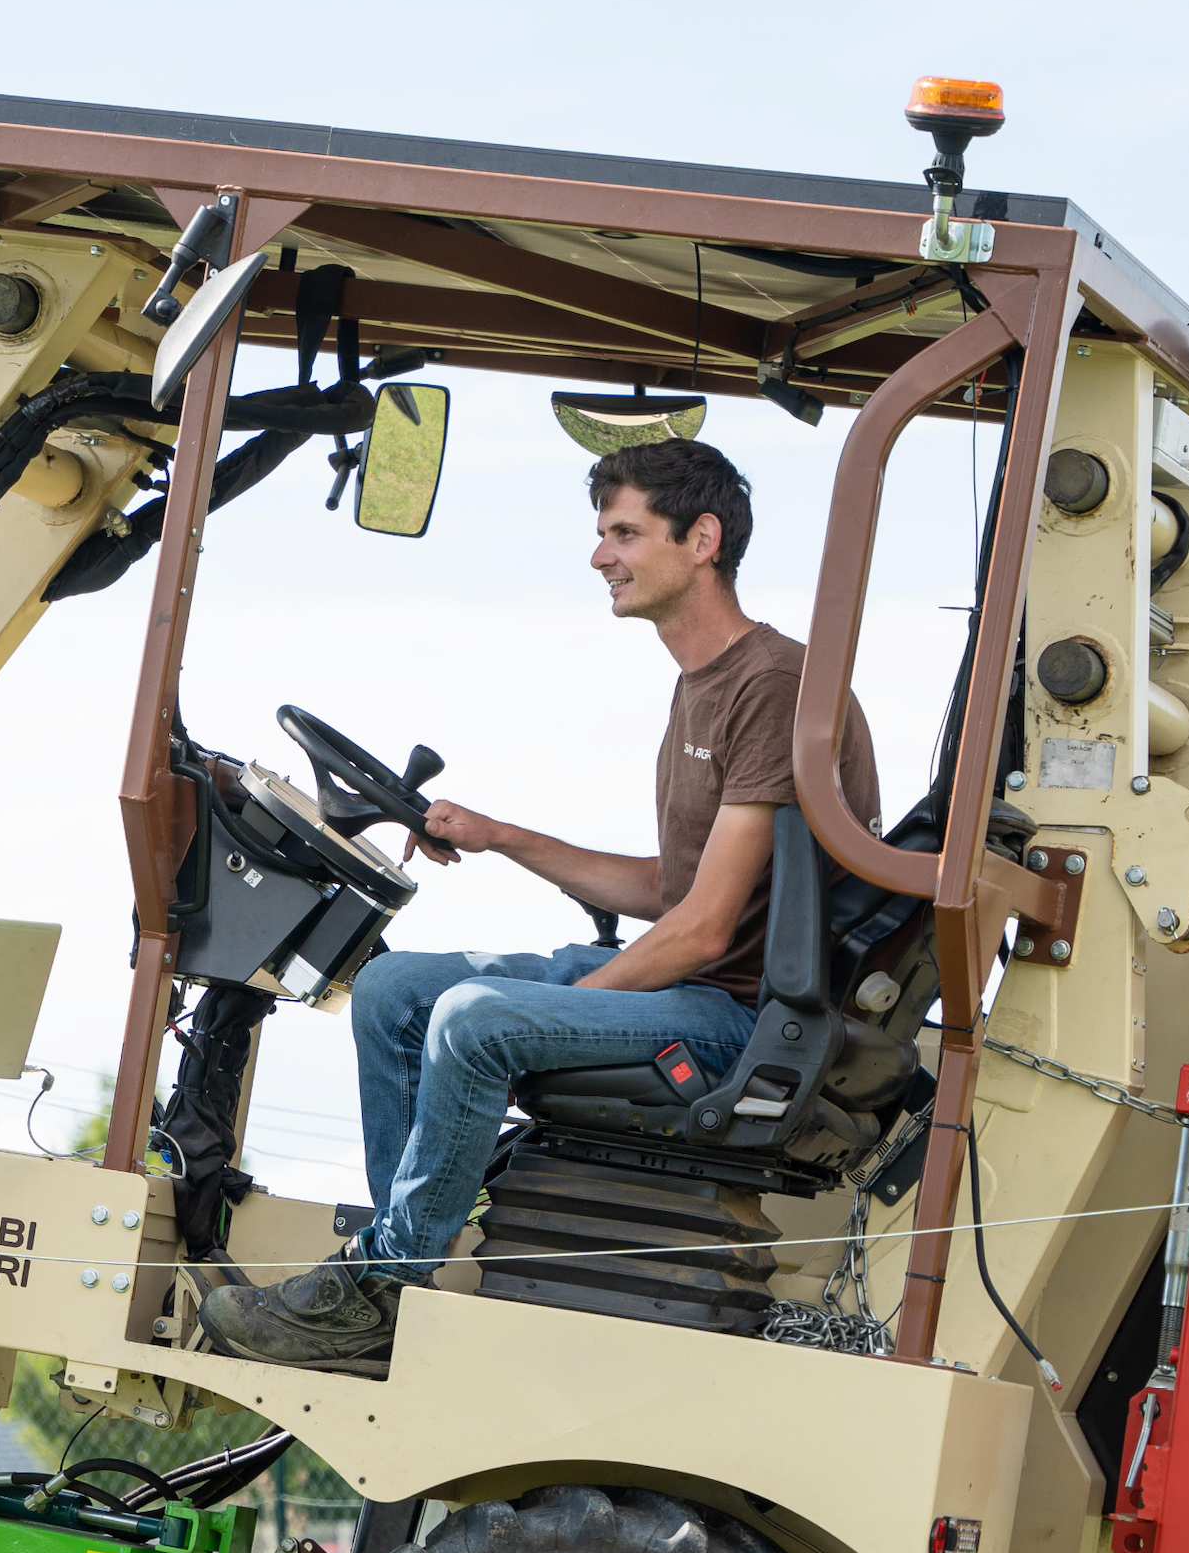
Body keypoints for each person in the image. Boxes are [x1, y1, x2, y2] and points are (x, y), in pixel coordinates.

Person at [201, 440, 880, 1371]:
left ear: (703, 540)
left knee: (479, 1024)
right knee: (396, 986)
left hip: (741, 1019)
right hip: (698, 979)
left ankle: (383, 1283)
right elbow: (669, 891)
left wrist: (573, 1006)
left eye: (624, 533)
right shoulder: (703, 683)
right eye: (603, 533)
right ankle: (400, 1273)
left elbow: (706, 930)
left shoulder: (770, 685)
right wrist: (501, 835)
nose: (600, 555)